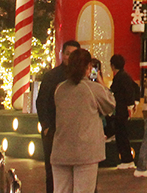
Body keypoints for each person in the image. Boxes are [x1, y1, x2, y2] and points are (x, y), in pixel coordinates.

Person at [50, 48, 115, 193]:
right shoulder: (93, 89)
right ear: (88, 68)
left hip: (61, 149)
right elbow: (111, 105)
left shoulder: (59, 89)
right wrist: (100, 81)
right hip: (86, 151)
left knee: (60, 190)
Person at [38, 40, 82, 193]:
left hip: (76, 133)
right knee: (53, 173)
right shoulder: (52, 76)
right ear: (62, 55)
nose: (70, 58)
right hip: (54, 131)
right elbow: (41, 102)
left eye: (74, 54)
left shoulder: (83, 77)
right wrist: (47, 127)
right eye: (67, 54)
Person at [108, 54, 139, 170]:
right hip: (122, 110)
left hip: (121, 111)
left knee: (122, 136)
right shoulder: (125, 75)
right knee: (122, 135)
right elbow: (136, 88)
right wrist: (134, 103)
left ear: (112, 65)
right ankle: (126, 159)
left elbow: (128, 91)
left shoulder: (120, 77)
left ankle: (127, 160)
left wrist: (131, 105)